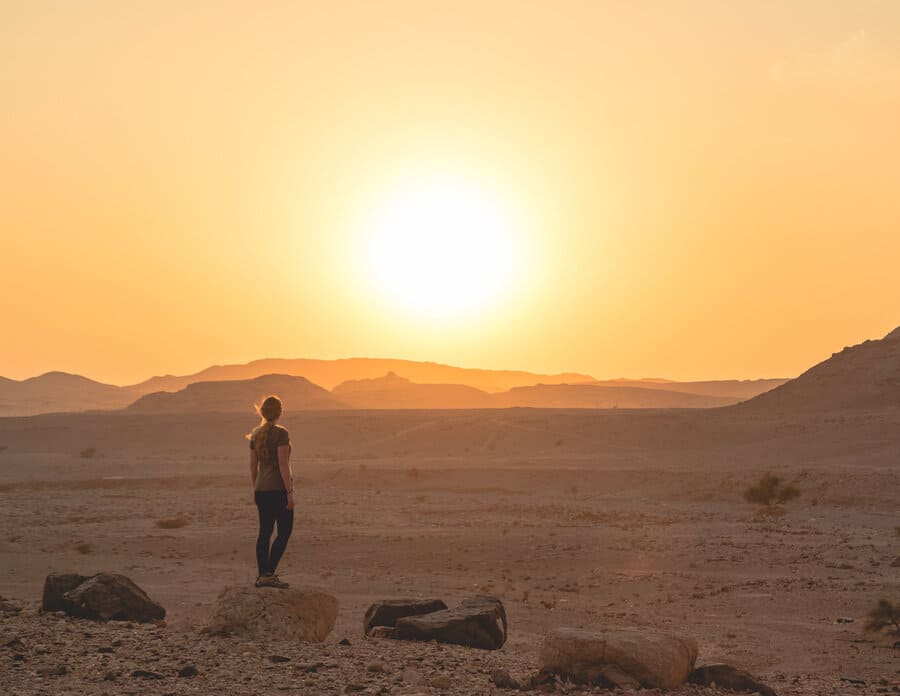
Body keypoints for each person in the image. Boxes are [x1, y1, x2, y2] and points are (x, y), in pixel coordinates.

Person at [248, 395, 294, 588]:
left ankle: (262, 575)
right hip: (278, 489)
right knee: (284, 532)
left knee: (265, 532)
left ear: (262, 412)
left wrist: (256, 488)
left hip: (261, 489)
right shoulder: (281, 434)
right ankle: (269, 573)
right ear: (279, 412)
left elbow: (253, 466)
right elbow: (284, 465)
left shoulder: (256, 435)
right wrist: (289, 493)